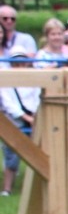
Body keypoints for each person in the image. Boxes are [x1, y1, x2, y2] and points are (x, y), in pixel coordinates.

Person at [1, 52, 39, 196]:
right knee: (11, 154)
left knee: (39, 153)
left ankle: (36, 188)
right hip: (15, 120)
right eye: (16, 63)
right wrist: (27, 118)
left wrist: (35, 116)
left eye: (23, 62)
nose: (19, 65)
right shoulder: (5, 80)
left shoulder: (34, 79)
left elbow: (38, 98)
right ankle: (7, 189)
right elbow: (8, 104)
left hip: (34, 118)